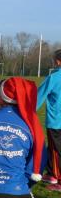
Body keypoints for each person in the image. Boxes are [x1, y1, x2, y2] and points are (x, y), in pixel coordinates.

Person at [37, 49, 61, 190]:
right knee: (52, 148)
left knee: (57, 150)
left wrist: (27, 111)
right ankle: (52, 173)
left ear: (57, 61)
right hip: (57, 121)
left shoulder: (54, 78)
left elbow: (39, 96)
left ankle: (59, 181)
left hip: (56, 121)